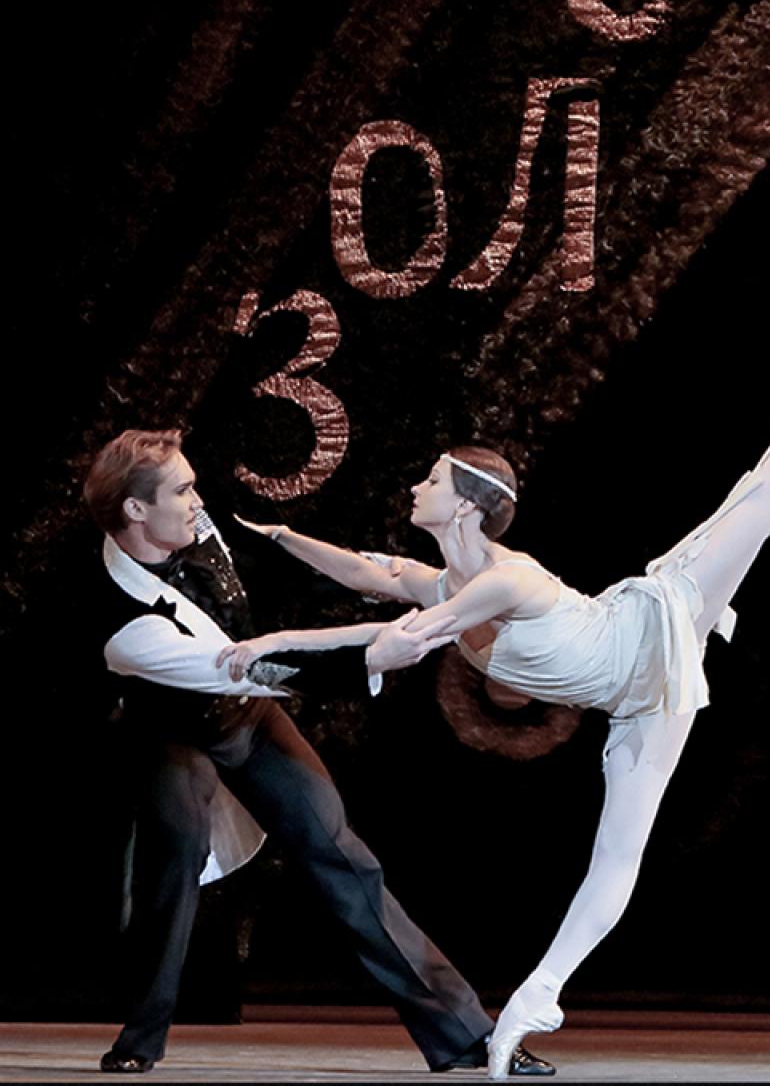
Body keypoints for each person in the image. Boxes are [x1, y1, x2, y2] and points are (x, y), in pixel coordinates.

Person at [222, 242, 770, 1078]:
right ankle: (533, 1003)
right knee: (616, 856)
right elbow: (364, 572)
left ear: (465, 506)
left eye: (431, 481)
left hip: (661, 620)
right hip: (643, 702)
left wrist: (277, 647)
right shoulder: (441, 579)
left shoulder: (506, 581)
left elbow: (397, 639)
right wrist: (285, 537)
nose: (416, 488)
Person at [82, 429, 555, 1077]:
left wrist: (358, 582)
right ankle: (140, 1037)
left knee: (343, 859)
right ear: (136, 510)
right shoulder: (121, 620)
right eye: (183, 491)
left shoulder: (195, 526)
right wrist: (370, 656)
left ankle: (468, 1037)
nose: (199, 500)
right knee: (174, 866)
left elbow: (276, 594)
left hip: (249, 717)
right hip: (174, 727)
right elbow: (251, 670)